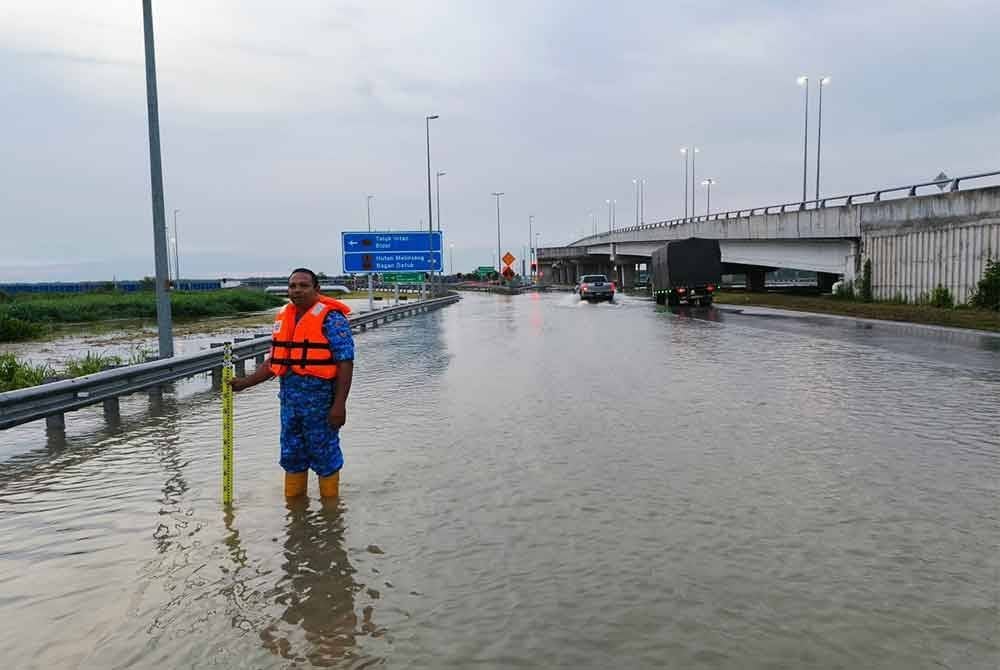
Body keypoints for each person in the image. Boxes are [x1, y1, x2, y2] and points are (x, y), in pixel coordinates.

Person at [230, 268, 355, 498]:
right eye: (292, 286)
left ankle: (331, 515)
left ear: (316, 289)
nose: (297, 290)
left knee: (324, 455)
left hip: (321, 405)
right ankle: (296, 516)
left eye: (303, 285)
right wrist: (245, 383)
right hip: (289, 405)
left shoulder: (332, 319)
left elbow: (345, 363)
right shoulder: (284, 317)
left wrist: (340, 405)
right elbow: (275, 361)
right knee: (291, 455)